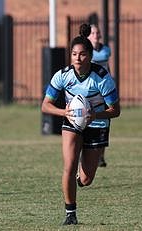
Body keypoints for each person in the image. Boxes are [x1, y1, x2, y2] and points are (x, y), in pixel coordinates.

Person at [41, 23, 120, 225]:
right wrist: (64, 112)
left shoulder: (102, 78)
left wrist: (95, 114)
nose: (78, 58)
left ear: (90, 56)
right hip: (72, 123)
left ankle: (78, 181)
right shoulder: (63, 75)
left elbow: (116, 110)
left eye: (82, 54)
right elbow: (45, 106)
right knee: (68, 165)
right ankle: (70, 214)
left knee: (86, 180)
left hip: (97, 124)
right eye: (74, 54)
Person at [87, 24, 112, 167]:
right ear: (88, 36)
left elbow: (106, 65)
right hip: (91, 90)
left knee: (104, 122)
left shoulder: (105, 50)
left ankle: (101, 156)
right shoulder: (87, 52)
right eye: (92, 33)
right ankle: (85, 153)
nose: (96, 35)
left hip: (104, 89)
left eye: (97, 32)